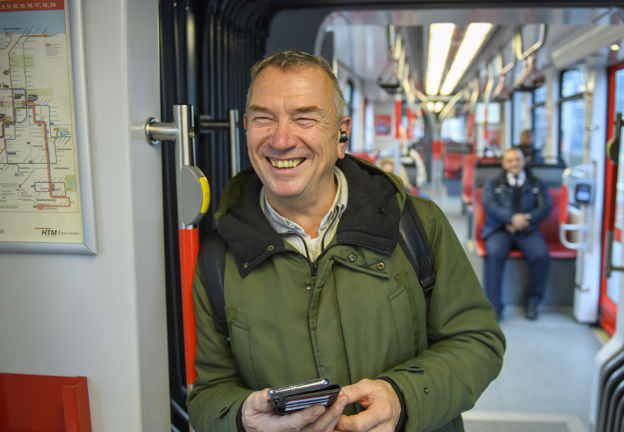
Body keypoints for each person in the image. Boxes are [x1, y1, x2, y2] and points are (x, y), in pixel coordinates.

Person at [187, 49, 505, 432]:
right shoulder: (217, 259)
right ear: (246, 129)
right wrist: (241, 419)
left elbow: (478, 341)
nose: (281, 139)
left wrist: (402, 398)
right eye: (263, 118)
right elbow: (208, 396)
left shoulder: (417, 226)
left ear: (341, 135)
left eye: (305, 118)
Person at [481, 147, 552, 321]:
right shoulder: (493, 182)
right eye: (510, 160)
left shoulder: (536, 183)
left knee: (541, 255)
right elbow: (489, 205)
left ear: (523, 161)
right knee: (495, 255)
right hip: (499, 229)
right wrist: (511, 219)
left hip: (527, 229)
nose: (514, 163)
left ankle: (532, 302)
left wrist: (526, 219)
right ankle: (494, 306)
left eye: (518, 159)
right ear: (504, 164)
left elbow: (545, 207)